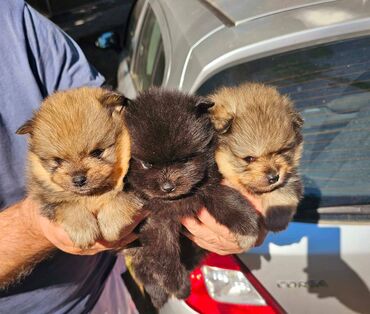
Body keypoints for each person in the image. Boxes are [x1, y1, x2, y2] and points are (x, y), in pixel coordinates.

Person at [0, 1, 266, 313]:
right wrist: (38, 225)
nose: (78, 175)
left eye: (97, 153)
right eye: (56, 162)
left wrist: (246, 175)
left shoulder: (12, 16)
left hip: (103, 286)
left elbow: (112, 112)